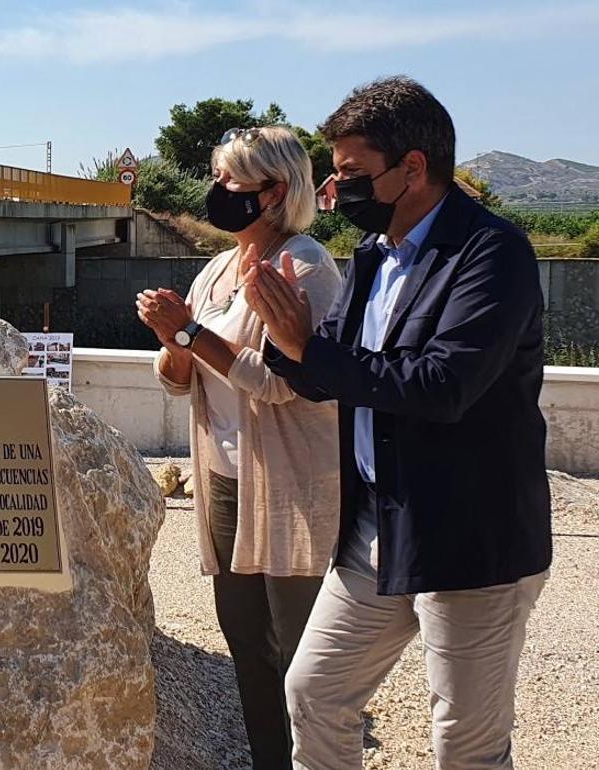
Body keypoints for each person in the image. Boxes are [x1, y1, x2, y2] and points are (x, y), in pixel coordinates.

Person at [245, 77, 551, 769]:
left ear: (412, 168)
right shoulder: (374, 257)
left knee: (465, 744)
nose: (335, 188)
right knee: (316, 692)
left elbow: (443, 386)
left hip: (471, 538)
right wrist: (286, 343)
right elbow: (337, 371)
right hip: (378, 529)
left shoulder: (492, 254)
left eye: (352, 173)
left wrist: (307, 348)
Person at [136, 125, 343, 770]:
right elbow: (179, 381)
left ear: (275, 190)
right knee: (245, 639)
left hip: (290, 484)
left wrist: (191, 333)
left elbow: (286, 385)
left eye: (230, 180)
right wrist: (174, 343)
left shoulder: (305, 266)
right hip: (223, 482)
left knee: (298, 646)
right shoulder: (219, 267)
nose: (217, 190)